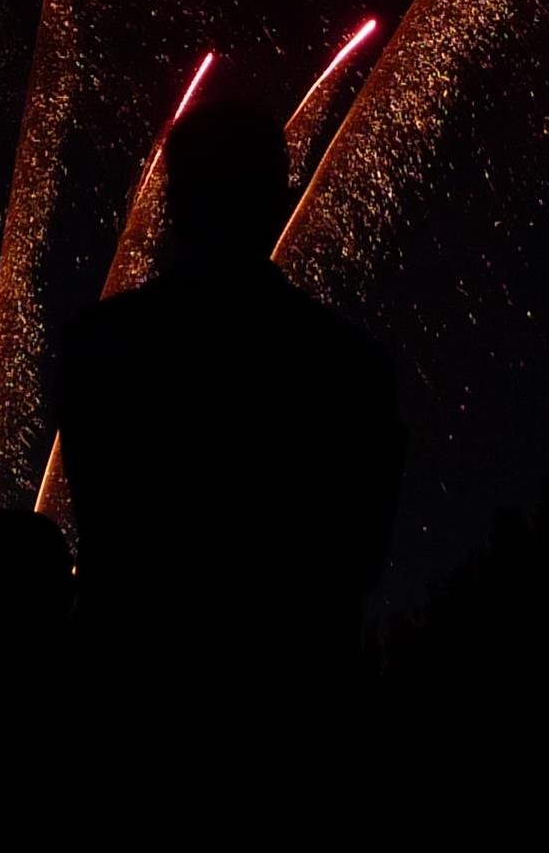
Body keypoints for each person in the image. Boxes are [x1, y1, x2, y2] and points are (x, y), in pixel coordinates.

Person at [55, 86, 403, 708]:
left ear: (173, 203)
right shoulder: (350, 368)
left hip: (130, 693)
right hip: (296, 690)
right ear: (277, 199)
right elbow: (360, 561)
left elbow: (109, 539)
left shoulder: (97, 348)